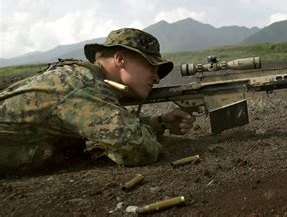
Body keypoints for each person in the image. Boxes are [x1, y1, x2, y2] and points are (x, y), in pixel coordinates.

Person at [0, 28, 195, 173]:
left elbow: (112, 120)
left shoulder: (84, 79)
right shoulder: (83, 85)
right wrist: (153, 137)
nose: (156, 78)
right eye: (151, 67)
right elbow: (134, 147)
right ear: (120, 59)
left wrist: (158, 123)